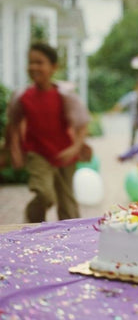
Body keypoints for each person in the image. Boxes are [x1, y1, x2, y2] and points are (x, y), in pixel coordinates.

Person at [6, 42, 90, 222]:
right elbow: (13, 124)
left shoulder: (64, 95)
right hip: (38, 154)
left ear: (53, 67)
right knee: (45, 194)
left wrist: (75, 148)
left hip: (65, 154)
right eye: (30, 62)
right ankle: (33, 227)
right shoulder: (23, 96)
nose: (33, 67)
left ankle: (72, 238)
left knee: (68, 205)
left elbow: (82, 123)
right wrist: (14, 151)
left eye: (39, 62)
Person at [110, 80, 138, 146]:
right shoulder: (133, 96)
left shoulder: (134, 95)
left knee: (135, 136)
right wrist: (113, 112)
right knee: (134, 136)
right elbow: (121, 104)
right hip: (135, 119)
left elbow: (121, 104)